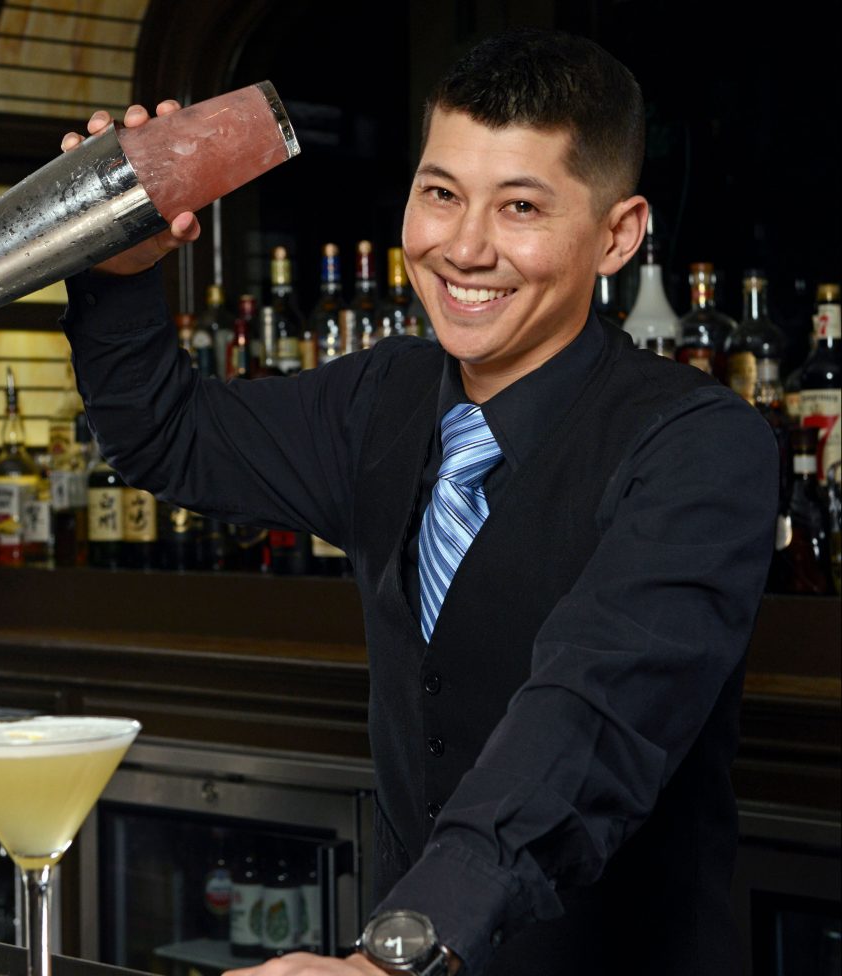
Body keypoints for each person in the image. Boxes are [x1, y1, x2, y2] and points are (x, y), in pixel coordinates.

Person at [60, 28, 778, 976]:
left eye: (520, 206)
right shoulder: (382, 400)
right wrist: (122, 267)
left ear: (618, 235)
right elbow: (166, 434)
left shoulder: (701, 447)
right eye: (441, 193)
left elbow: (589, 711)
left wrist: (397, 952)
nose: (465, 247)